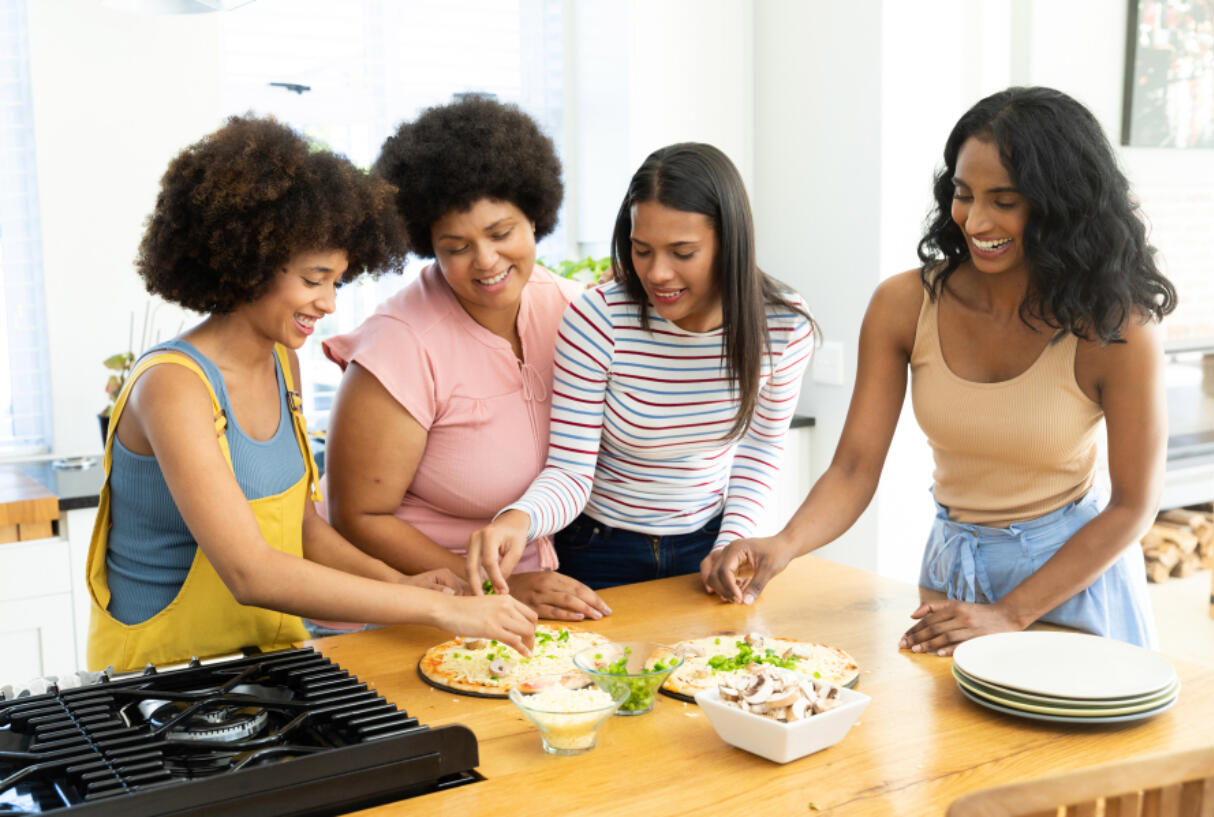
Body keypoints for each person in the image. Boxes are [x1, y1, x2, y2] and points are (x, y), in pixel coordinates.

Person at [703, 87, 1177, 651]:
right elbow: (855, 468)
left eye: (1004, 200)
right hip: (952, 575)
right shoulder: (905, 304)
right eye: (963, 194)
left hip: (1070, 585)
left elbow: (1133, 505)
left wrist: (1010, 613)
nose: (975, 220)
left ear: (1062, 204)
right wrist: (783, 543)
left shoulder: (1117, 327)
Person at [87, 115, 537, 673]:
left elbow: (302, 529)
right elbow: (250, 571)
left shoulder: (282, 362)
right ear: (246, 263)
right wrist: (435, 610)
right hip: (161, 678)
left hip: (263, 663)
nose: (327, 303)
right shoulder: (173, 385)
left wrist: (405, 583)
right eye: (312, 278)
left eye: (336, 282)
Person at [466, 142, 817, 593]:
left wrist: (731, 543)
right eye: (642, 250)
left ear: (730, 243)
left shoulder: (782, 325)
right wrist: (519, 520)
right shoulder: (598, 319)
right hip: (599, 548)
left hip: (708, 545)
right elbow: (571, 470)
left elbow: (760, 451)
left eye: (682, 252)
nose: (657, 274)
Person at [322, 96, 611, 622]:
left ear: (536, 217)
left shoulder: (575, 310)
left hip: (539, 592)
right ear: (428, 245)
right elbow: (358, 516)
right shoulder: (400, 344)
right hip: (415, 603)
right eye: (456, 247)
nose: (486, 261)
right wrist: (499, 588)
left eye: (502, 234)